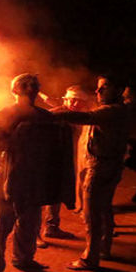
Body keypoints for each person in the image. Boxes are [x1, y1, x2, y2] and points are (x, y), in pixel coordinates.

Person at [0, 73, 71, 272]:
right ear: (14, 90)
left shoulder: (45, 116)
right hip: (10, 174)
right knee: (2, 223)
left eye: (34, 85)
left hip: (35, 175)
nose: (30, 88)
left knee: (30, 221)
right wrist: (17, 138)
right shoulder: (3, 115)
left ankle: (24, 259)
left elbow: (55, 150)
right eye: (24, 85)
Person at [56, 75, 130, 270]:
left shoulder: (111, 111)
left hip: (100, 167)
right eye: (98, 88)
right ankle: (104, 248)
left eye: (103, 88)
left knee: (92, 213)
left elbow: (85, 117)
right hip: (110, 165)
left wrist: (52, 114)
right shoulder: (118, 110)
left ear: (118, 90)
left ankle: (90, 257)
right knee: (104, 208)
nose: (98, 92)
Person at [43, 85, 96, 239]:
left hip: (74, 160)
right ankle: (42, 232)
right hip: (53, 161)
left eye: (77, 101)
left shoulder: (84, 117)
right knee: (48, 194)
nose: (73, 104)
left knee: (62, 193)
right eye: (70, 100)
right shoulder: (54, 115)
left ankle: (53, 226)